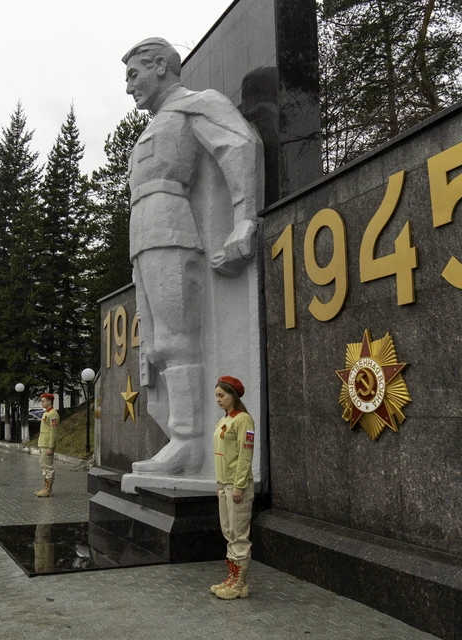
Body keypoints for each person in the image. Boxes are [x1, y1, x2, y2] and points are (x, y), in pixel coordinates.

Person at [122, 38, 263, 477]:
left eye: (134, 75)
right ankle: (179, 439)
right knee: (161, 343)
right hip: (143, 230)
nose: (129, 88)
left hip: (171, 224)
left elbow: (238, 146)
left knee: (178, 339)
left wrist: (245, 219)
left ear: (161, 65)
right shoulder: (155, 124)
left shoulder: (196, 105)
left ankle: (188, 442)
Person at [210, 376, 254, 600]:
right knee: (229, 533)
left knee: (239, 534)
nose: (217, 399)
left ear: (232, 396)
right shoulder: (224, 420)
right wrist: (221, 484)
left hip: (238, 487)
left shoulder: (243, 420)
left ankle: (240, 584)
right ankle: (232, 578)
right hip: (224, 485)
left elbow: (245, 456)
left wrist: (239, 486)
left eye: (221, 395)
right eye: (216, 395)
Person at [35, 393, 59, 497]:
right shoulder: (47, 413)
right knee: (44, 466)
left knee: (48, 467)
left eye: (44, 401)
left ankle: (48, 489)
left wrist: (51, 446)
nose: (42, 403)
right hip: (43, 443)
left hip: (47, 445)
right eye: (42, 401)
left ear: (49, 402)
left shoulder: (52, 414)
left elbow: (54, 432)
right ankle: (45, 487)